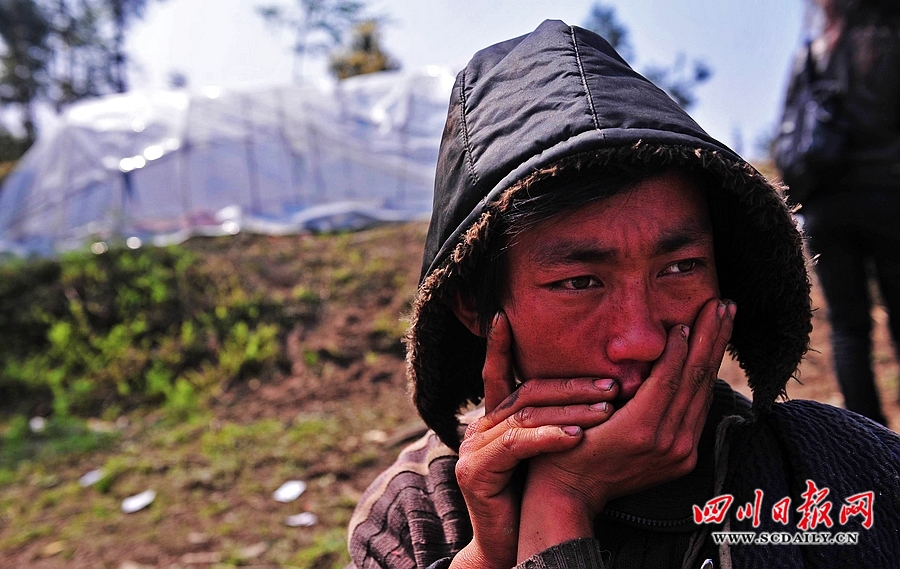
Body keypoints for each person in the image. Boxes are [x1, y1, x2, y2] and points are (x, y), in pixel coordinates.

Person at [348, 20, 900, 568]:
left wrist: (563, 492)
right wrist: (507, 545)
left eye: (680, 267)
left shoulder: (839, 479)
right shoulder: (419, 514)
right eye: (580, 283)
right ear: (474, 305)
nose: (640, 340)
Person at [783, 0, 900, 425]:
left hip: (827, 207)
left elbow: (788, 133)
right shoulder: (891, 46)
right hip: (890, 199)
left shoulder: (815, 54)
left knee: (850, 332)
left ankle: (873, 444)